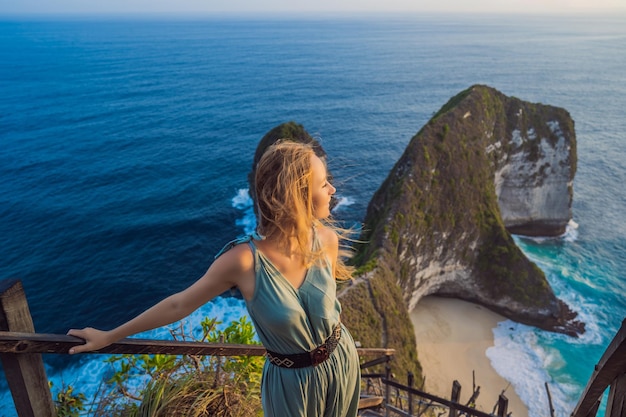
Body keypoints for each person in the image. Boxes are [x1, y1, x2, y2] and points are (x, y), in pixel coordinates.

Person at [68, 140, 361, 417]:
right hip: (291, 386)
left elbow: (322, 310)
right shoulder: (244, 260)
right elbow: (178, 306)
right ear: (296, 194)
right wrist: (110, 336)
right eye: (324, 184)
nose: (333, 190)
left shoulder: (327, 240)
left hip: (341, 362)